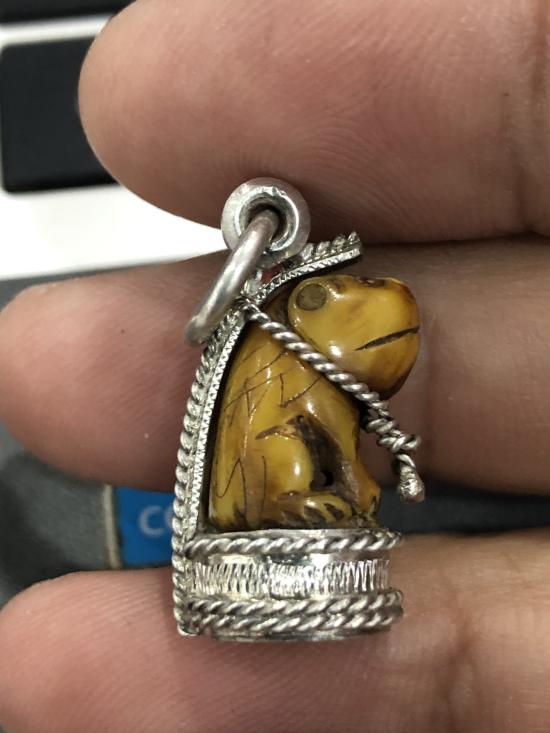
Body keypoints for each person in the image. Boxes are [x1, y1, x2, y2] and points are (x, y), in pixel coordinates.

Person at [1, 0, 550, 730]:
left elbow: (340, 445)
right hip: (262, 502)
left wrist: (351, 480)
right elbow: (287, 442)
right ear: (310, 305)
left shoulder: (323, 376)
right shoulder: (278, 366)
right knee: (285, 450)